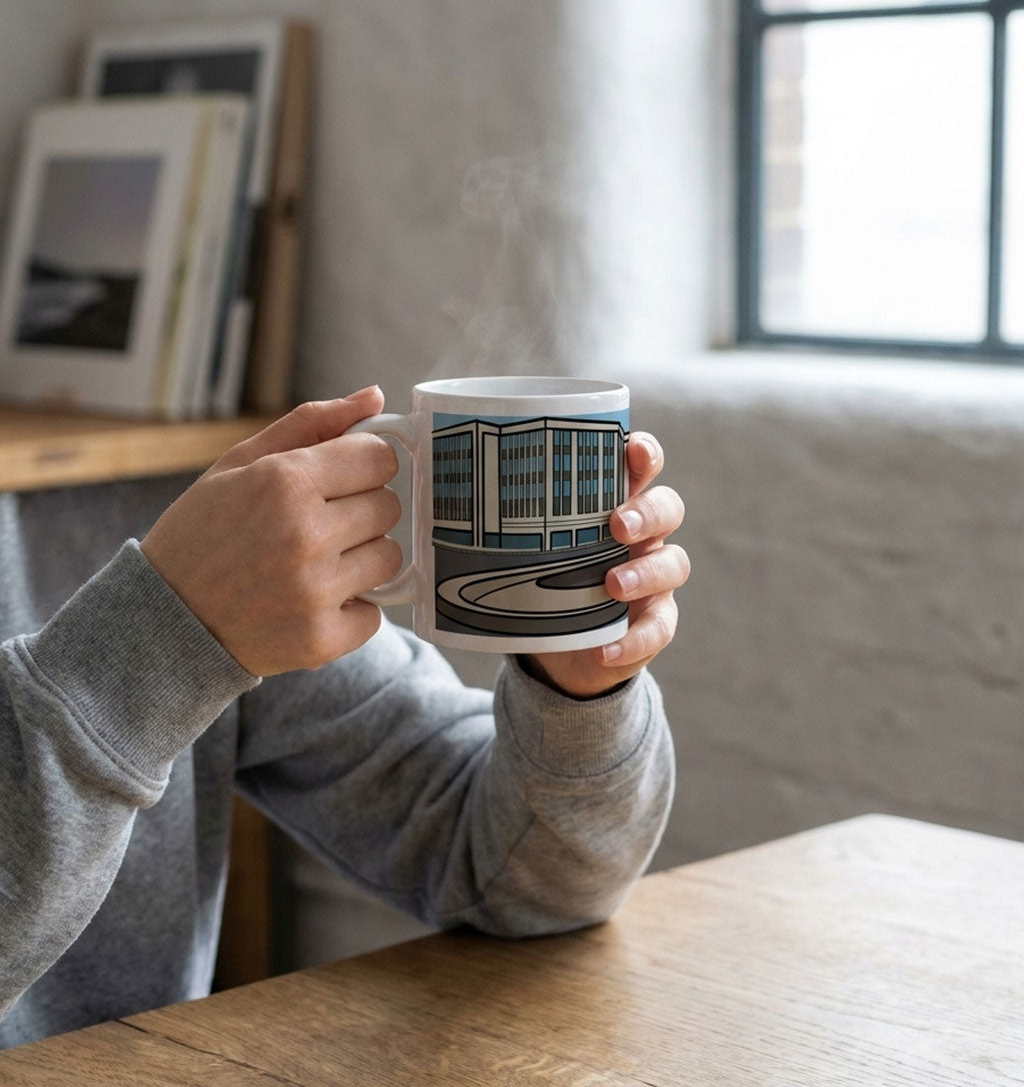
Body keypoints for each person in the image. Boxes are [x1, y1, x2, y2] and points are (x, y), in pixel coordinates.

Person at [0, 386, 689, 1049]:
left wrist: (578, 691)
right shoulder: (177, 577)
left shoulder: (150, 511)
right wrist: (159, 640)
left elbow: (515, 875)